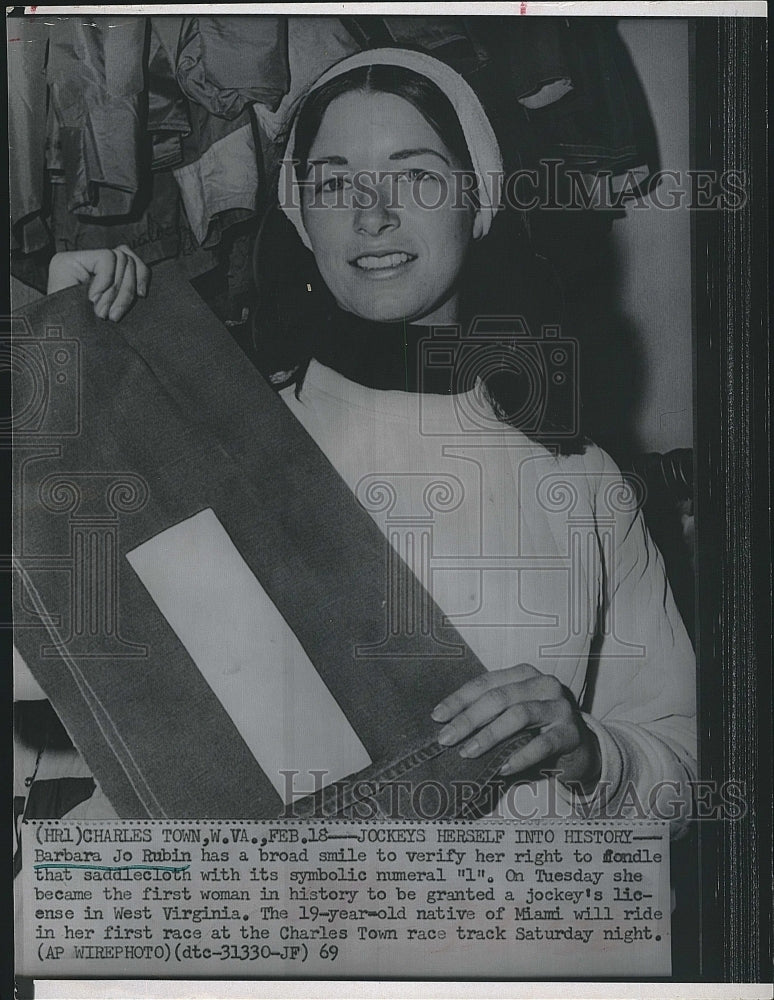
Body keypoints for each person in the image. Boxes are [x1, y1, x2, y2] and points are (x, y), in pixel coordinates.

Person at [44, 49, 696, 830]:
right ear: (299, 215)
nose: (372, 214)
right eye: (334, 181)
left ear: (480, 200)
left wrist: (593, 751)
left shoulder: (583, 478)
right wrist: (63, 373)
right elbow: (55, 667)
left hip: (493, 929)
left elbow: (685, 765)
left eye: (415, 174)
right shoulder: (211, 429)